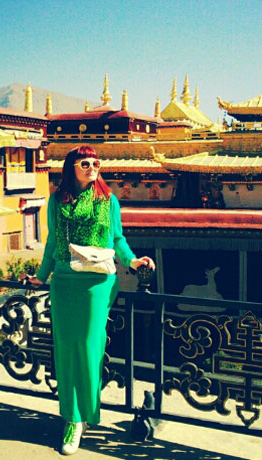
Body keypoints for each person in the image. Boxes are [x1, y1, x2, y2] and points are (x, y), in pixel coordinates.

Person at [27, 145, 155, 455]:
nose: (92, 167)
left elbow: (117, 239)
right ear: (71, 166)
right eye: (85, 162)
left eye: (96, 162)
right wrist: (41, 277)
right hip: (65, 282)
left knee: (88, 346)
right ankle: (73, 419)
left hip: (98, 284)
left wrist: (133, 262)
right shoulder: (57, 201)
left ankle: (87, 412)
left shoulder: (108, 200)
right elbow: (52, 243)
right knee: (67, 349)